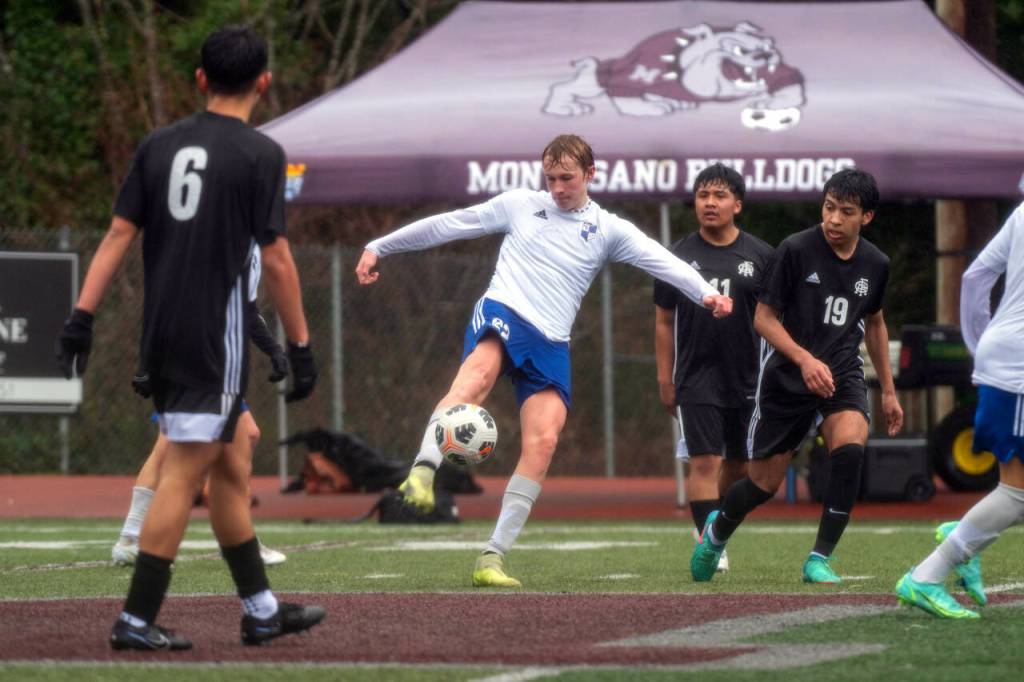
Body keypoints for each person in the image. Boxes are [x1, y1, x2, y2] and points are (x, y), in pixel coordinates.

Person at [356, 133, 732, 588]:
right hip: (504, 310)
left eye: (566, 178)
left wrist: (706, 293)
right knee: (475, 380)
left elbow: (660, 259)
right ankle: (421, 473)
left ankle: (491, 557)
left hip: (552, 341)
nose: (556, 188)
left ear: (591, 174)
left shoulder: (608, 229)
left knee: (544, 441)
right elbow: (451, 224)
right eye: (550, 178)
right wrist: (382, 245)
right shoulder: (519, 204)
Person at [56, 25, 322, 651]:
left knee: (232, 463)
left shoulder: (158, 145)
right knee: (184, 471)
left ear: (200, 80)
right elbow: (277, 260)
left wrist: (81, 317)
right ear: (265, 82)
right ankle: (136, 619)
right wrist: (302, 345)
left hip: (163, 330)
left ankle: (260, 610)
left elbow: (118, 236)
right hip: (214, 337)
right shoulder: (260, 154)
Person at [690, 168, 904, 584]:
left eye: (846, 212)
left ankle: (819, 559)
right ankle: (715, 535)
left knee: (850, 449)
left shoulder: (876, 264)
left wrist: (889, 391)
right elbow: (764, 319)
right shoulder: (795, 250)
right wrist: (805, 360)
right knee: (762, 484)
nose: (835, 220)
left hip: (841, 372)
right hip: (786, 378)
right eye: (829, 208)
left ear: (867, 217)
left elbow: (875, 323)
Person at [895, 202, 1024, 619]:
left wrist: (981, 344)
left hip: (1006, 357)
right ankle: (927, 575)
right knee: (1017, 491)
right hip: (1019, 368)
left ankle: (966, 535)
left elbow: (975, 277)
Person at [112, 288, 290, 568]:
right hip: (188, 357)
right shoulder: (208, 247)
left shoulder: (249, 250)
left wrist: (274, 349)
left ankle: (235, 537)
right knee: (169, 447)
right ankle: (132, 538)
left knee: (247, 435)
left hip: (217, 363)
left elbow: (247, 309)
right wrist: (147, 363)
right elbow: (166, 300)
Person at [653, 163, 774, 573]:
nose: (709, 203)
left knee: (739, 465)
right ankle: (711, 544)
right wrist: (663, 377)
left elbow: (775, 318)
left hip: (748, 377)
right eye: (703, 195)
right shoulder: (677, 256)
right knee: (704, 462)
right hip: (695, 376)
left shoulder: (761, 256)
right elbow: (663, 320)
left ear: (737, 204)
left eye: (719, 196)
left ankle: (714, 527)